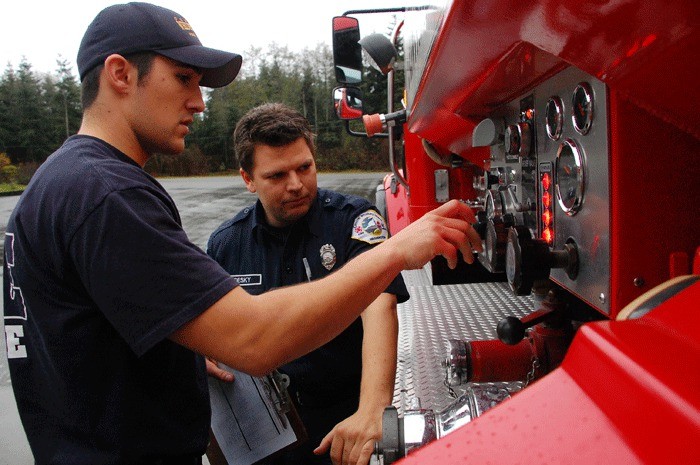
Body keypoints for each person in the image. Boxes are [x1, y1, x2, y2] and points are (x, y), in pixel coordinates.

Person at [2, 2, 482, 464]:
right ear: (121, 74)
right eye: (184, 79)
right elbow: (255, 340)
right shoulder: (107, 195)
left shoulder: (59, 185)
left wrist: (186, 343)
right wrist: (396, 250)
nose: (199, 103)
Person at [207, 103, 408, 465]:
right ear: (248, 179)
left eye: (305, 167)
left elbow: (379, 304)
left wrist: (374, 408)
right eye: (277, 175)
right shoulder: (226, 245)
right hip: (264, 433)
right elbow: (212, 327)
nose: (296, 185)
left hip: (342, 424)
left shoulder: (355, 221)